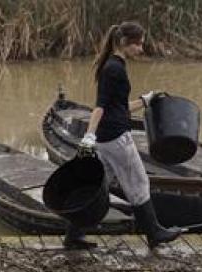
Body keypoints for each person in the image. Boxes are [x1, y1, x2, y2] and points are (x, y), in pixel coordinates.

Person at [78, 21, 182, 250]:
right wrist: (88, 137)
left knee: (95, 188)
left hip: (106, 138)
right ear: (125, 43)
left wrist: (145, 101)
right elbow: (101, 107)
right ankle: (155, 233)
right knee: (139, 183)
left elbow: (118, 107)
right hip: (115, 138)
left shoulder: (113, 65)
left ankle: (73, 235)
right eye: (138, 44)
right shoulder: (114, 69)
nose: (141, 49)